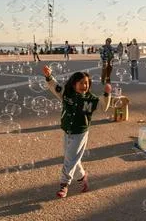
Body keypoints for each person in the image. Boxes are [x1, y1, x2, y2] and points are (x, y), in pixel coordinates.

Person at [42, 65, 111, 198]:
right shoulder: (66, 93)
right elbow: (54, 86)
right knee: (72, 157)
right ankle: (82, 176)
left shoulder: (90, 99)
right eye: (81, 83)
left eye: (87, 83)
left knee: (70, 158)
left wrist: (107, 94)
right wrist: (48, 76)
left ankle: (64, 184)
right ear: (74, 84)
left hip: (80, 132)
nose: (84, 85)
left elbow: (103, 107)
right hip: (67, 130)